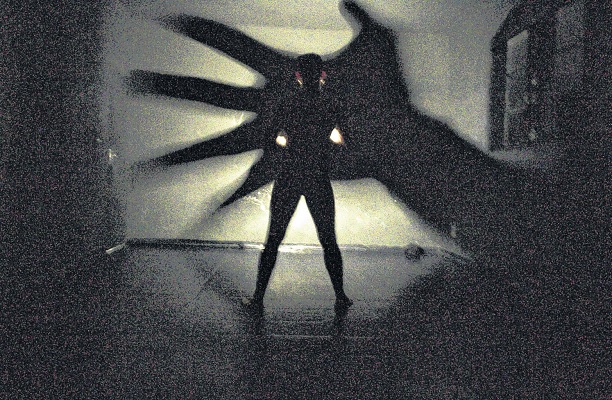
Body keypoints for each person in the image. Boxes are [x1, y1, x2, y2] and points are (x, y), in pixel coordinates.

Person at [242, 53, 353, 310]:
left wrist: (286, 143)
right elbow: (345, 141)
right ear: (322, 75)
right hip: (317, 176)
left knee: (273, 239)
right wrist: (326, 146)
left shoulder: (288, 103)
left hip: (290, 175)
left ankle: (258, 298)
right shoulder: (331, 105)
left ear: (298, 76)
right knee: (328, 240)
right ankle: (340, 296)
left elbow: (270, 138)